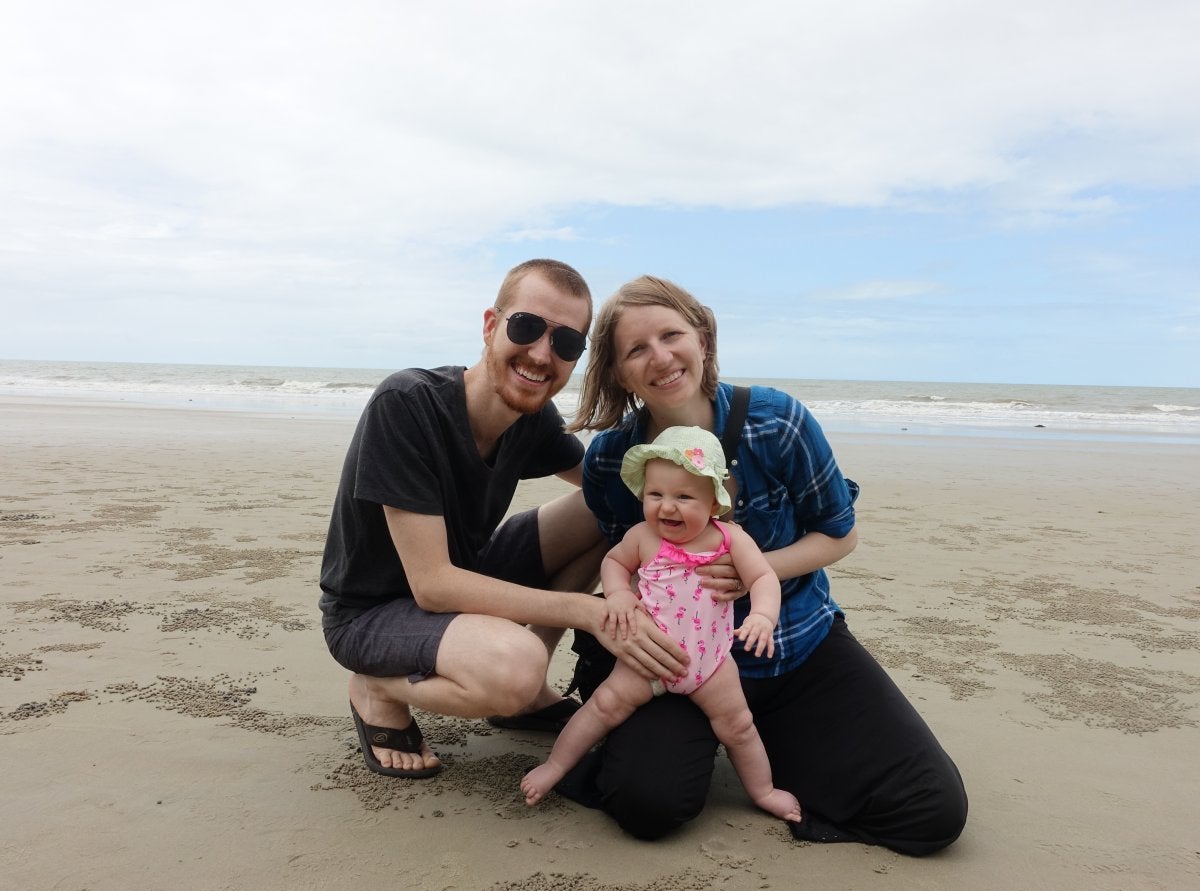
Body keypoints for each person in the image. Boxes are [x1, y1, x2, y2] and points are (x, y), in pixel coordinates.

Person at [561, 275, 968, 856]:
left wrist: (758, 571)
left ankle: (763, 739)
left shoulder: (776, 421)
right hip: (676, 666)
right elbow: (622, 563)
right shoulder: (610, 461)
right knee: (646, 802)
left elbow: (839, 532)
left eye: (671, 334)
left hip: (795, 643)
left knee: (931, 810)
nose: (661, 357)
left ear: (701, 336)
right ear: (618, 372)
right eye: (636, 349)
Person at [318, 260, 688, 779]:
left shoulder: (532, 417)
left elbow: (614, 487)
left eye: (566, 344)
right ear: (492, 325)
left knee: (609, 505)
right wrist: (588, 611)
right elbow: (434, 587)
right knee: (514, 669)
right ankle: (375, 687)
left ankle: (529, 690)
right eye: (526, 326)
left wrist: (717, 530)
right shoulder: (407, 405)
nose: (541, 353)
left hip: (471, 571)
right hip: (372, 614)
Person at [522, 426, 801, 824]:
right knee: (603, 706)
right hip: (646, 658)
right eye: (656, 495)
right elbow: (614, 563)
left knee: (738, 727)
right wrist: (618, 593)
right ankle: (556, 766)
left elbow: (763, 578)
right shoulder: (641, 537)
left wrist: (762, 615)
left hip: (711, 664)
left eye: (684, 497)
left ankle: (763, 791)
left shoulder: (730, 539)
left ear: (714, 503)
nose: (666, 507)